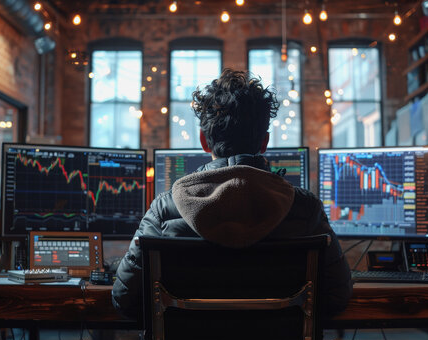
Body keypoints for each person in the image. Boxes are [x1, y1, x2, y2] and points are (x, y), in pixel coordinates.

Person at [112, 68, 352, 321]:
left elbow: (126, 300)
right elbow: (337, 297)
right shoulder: (306, 209)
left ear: (204, 141)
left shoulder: (164, 210)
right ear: (264, 143)